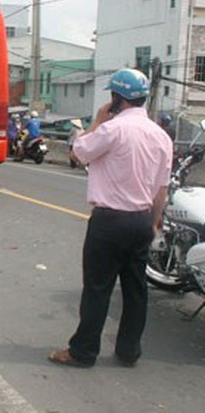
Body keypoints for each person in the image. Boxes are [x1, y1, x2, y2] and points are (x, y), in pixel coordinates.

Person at [49, 68, 173, 368]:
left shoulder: (112, 129)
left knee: (97, 289)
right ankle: (129, 351)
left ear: (117, 98)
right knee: (136, 290)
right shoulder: (161, 136)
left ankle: (83, 352)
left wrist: (97, 120)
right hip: (141, 220)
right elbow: (161, 190)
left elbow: (79, 152)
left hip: (109, 222)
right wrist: (153, 223)